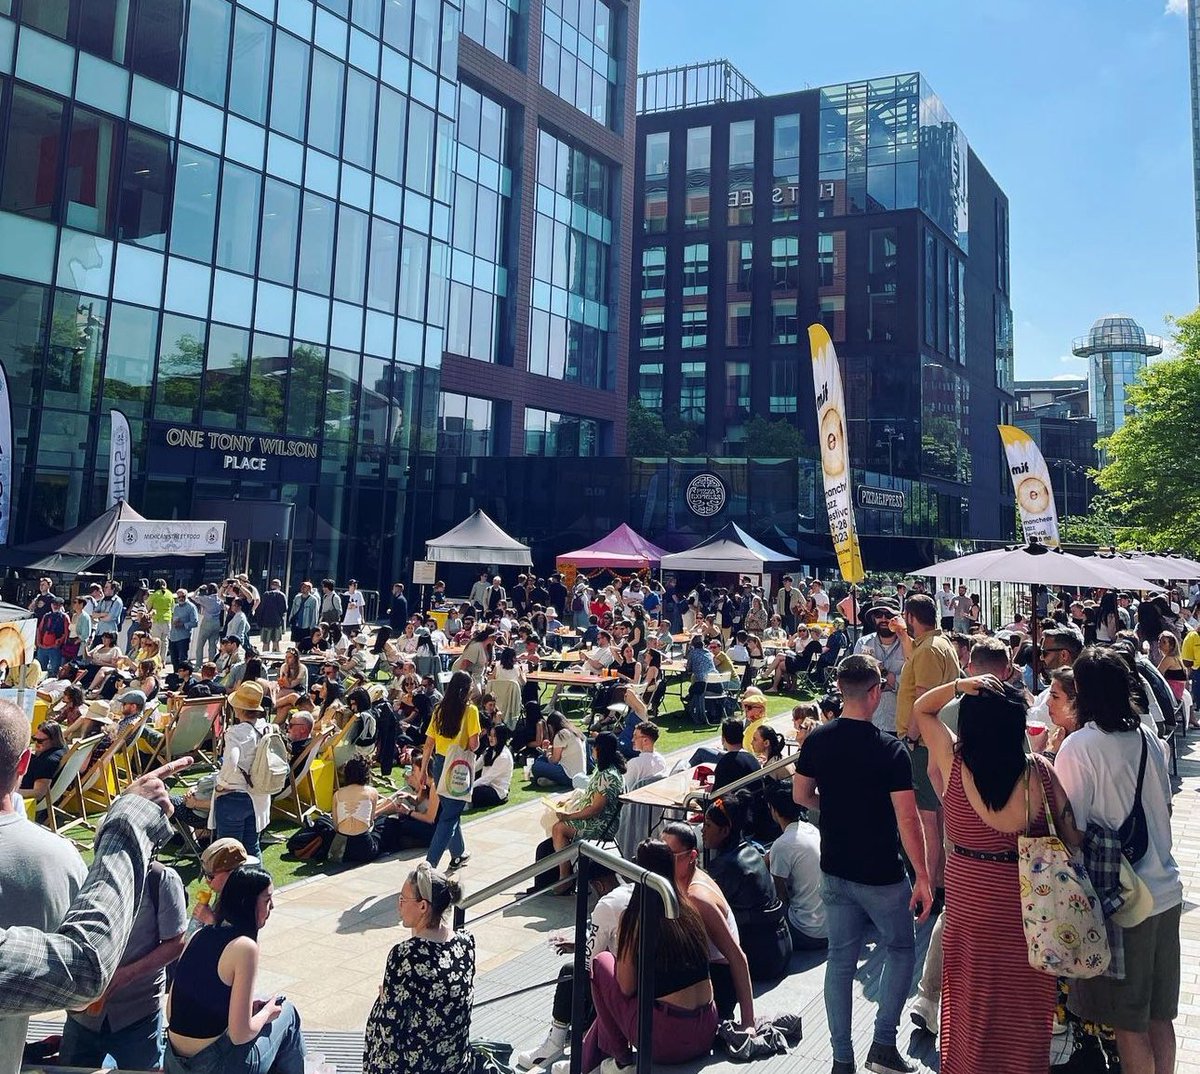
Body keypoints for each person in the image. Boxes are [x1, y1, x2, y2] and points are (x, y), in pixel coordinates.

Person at [910, 673, 1080, 1074]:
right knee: (1024, 1011)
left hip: (970, 911)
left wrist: (959, 685)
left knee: (970, 1008)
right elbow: (1072, 840)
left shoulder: (954, 764)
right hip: (1028, 914)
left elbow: (922, 710)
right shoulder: (1040, 774)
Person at [792, 654, 931, 1074]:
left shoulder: (818, 740)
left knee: (839, 961)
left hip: (836, 867)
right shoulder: (889, 751)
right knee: (902, 949)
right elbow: (908, 820)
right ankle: (883, 1045)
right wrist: (924, 876)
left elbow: (801, 796)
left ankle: (841, 1057)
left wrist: (832, 807)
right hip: (882, 873)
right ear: (875, 693)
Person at [1055, 647, 1183, 1074]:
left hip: (1125, 901)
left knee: (1129, 1023)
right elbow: (1163, 806)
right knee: (1158, 1014)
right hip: (1165, 889)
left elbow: (1069, 831)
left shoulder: (1080, 746)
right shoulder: (1148, 738)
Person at [570, 840, 718, 1074]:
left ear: (637, 870)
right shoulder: (690, 909)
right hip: (707, 1029)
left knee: (601, 963)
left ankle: (620, 1060)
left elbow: (626, 988)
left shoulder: (636, 918)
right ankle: (587, 1058)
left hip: (666, 1041)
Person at [164, 866, 304, 1073]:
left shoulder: (198, 936)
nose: (272, 907)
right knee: (287, 1013)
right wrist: (266, 1012)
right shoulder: (244, 947)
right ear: (247, 904)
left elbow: (171, 1012)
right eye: (267, 900)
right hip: (216, 1066)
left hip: (174, 1062)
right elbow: (241, 1034)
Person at [60, 857, 188, 1070]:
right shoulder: (85, 876)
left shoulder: (161, 878)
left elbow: (176, 943)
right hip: (83, 1016)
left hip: (138, 1013)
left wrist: (127, 974)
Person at [516, 863, 632, 1071]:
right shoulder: (630, 890)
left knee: (571, 972)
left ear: (598, 885)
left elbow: (591, 960)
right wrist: (579, 945)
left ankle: (558, 1043)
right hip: (640, 976)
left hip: (625, 986)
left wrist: (583, 949)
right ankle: (580, 1038)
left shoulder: (607, 904)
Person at [364, 862, 474, 1074]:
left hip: (416, 1065)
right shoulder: (466, 942)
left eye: (403, 899)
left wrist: (385, 998)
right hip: (455, 1062)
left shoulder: (406, 955)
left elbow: (390, 1027)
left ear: (423, 906)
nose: (399, 906)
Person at [893, 592, 960, 915]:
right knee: (937, 819)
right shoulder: (935, 645)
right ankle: (941, 884)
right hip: (930, 742)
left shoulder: (931, 650)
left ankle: (933, 888)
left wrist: (910, 738)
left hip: (922, 745)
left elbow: (925, 699)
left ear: (911, 616)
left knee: (928, 823)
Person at [660, 822, 755, 1028]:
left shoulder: (697, 897)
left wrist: (748, 1022)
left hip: (719, 983)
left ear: (692, 856)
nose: (663, 862)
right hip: (705, 972)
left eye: (670, 856)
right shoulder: (682, 879)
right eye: (661, 854)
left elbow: (738, 957)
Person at [702, 791, 793, 981]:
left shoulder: (725, 867)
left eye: (708, 825)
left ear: (725, 831)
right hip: (781, 950)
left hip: (760, 960)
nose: (702, 830)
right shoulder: (751, 851)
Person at [418, 670, 480, 870]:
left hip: (439, 763)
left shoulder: (439, 709)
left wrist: (422, 771)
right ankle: (430, 864)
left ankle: (458, 853)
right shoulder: (470, 711)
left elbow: (428, 743)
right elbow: (473, 744)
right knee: (449, 816)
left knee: (450, 811)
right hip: (458, 766)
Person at [548, 732, 626, 887]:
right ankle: (564, 870)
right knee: (557, 823)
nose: (592, 751)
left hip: (600, 824)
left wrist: (570, 816)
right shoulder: (605, 770)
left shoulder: (607, 776)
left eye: (594, 748)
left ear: (599, 750)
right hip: (596, 818)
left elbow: (595, 809)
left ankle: (565, 878)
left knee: (559, 828)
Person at [209, 681, 272, 860]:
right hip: (258, 796)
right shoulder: (266, 727)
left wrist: (221, 785)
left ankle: (233, 888)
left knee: (229, 852)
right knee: (252, 848)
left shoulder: (237, 733)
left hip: (234, 796)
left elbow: (231, 761)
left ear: (238, 707)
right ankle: (259, 887)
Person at [765, 783, 827, 950]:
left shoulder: (782, 845)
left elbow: (780, 897)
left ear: (774, 811)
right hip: (830, 928)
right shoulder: (811, 829)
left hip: (807, 932)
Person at [330, 756, 382, 863]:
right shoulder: (372, 792)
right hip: (364, 849)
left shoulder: (338, 794)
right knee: (383, 822)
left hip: (342, 849)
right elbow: (371, 821)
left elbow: (336, 826)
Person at [531, 710, 587, 788]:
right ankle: (553, 781)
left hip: (568, 775)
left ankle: (556, 781)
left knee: (536, 765)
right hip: (580, 774)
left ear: (551, 726)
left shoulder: (561, 734)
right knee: (542, 759)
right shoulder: (574, 731)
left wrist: (548, 753)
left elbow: (554, 760)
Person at [471, 724, 513, 808]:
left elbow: (487, 778)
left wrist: (468, 789)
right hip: (486, 785)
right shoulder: (489, 751)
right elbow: (475, 767)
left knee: (477, 792)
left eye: (494, 736)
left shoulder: (503, 756)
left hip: (496, 791)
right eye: (490, 735)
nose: (491, 738)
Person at [624, 720, 668, 790]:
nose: (632, 740)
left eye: (635, 736)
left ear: (645, 740)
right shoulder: (661, 760)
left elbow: (626, 788)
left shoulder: (634, 764)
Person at [35, 594, 70, 676]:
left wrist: (58, 643)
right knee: (40, 669)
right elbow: (39, 630)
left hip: (55, 648)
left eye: (57, 604)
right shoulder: (46, 616)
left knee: (55, 670)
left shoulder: (64, 617)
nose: (55, 606)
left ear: (61, 605)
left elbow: (66, 633)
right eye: (53, 604)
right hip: (42, 647)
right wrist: (39, 643)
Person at [256, 580, 288, 653]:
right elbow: (285, 609)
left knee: (265, 643)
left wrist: (260, 620)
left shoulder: (266, 595)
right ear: (279, 587)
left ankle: (264, 659)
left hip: (266, 622)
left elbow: (261, 609)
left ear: (271, 586)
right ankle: (275, 660)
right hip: (277, 623)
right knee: (276, 642)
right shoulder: (282, 595)